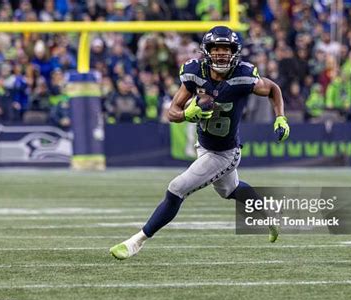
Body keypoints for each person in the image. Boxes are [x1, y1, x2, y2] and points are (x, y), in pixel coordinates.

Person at [109, 26, 290, 260]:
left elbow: (273, 88)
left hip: (225, 152)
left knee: (177, 188)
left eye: (227, 49)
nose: (222, 54)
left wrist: (281, 117)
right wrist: (187, 114)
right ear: (208, 51)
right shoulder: (195, 72)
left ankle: (136, 242)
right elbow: (172, 112)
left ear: (235, 52)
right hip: (204, 145)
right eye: (217, 49)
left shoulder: (244, 76)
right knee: (230, 190)